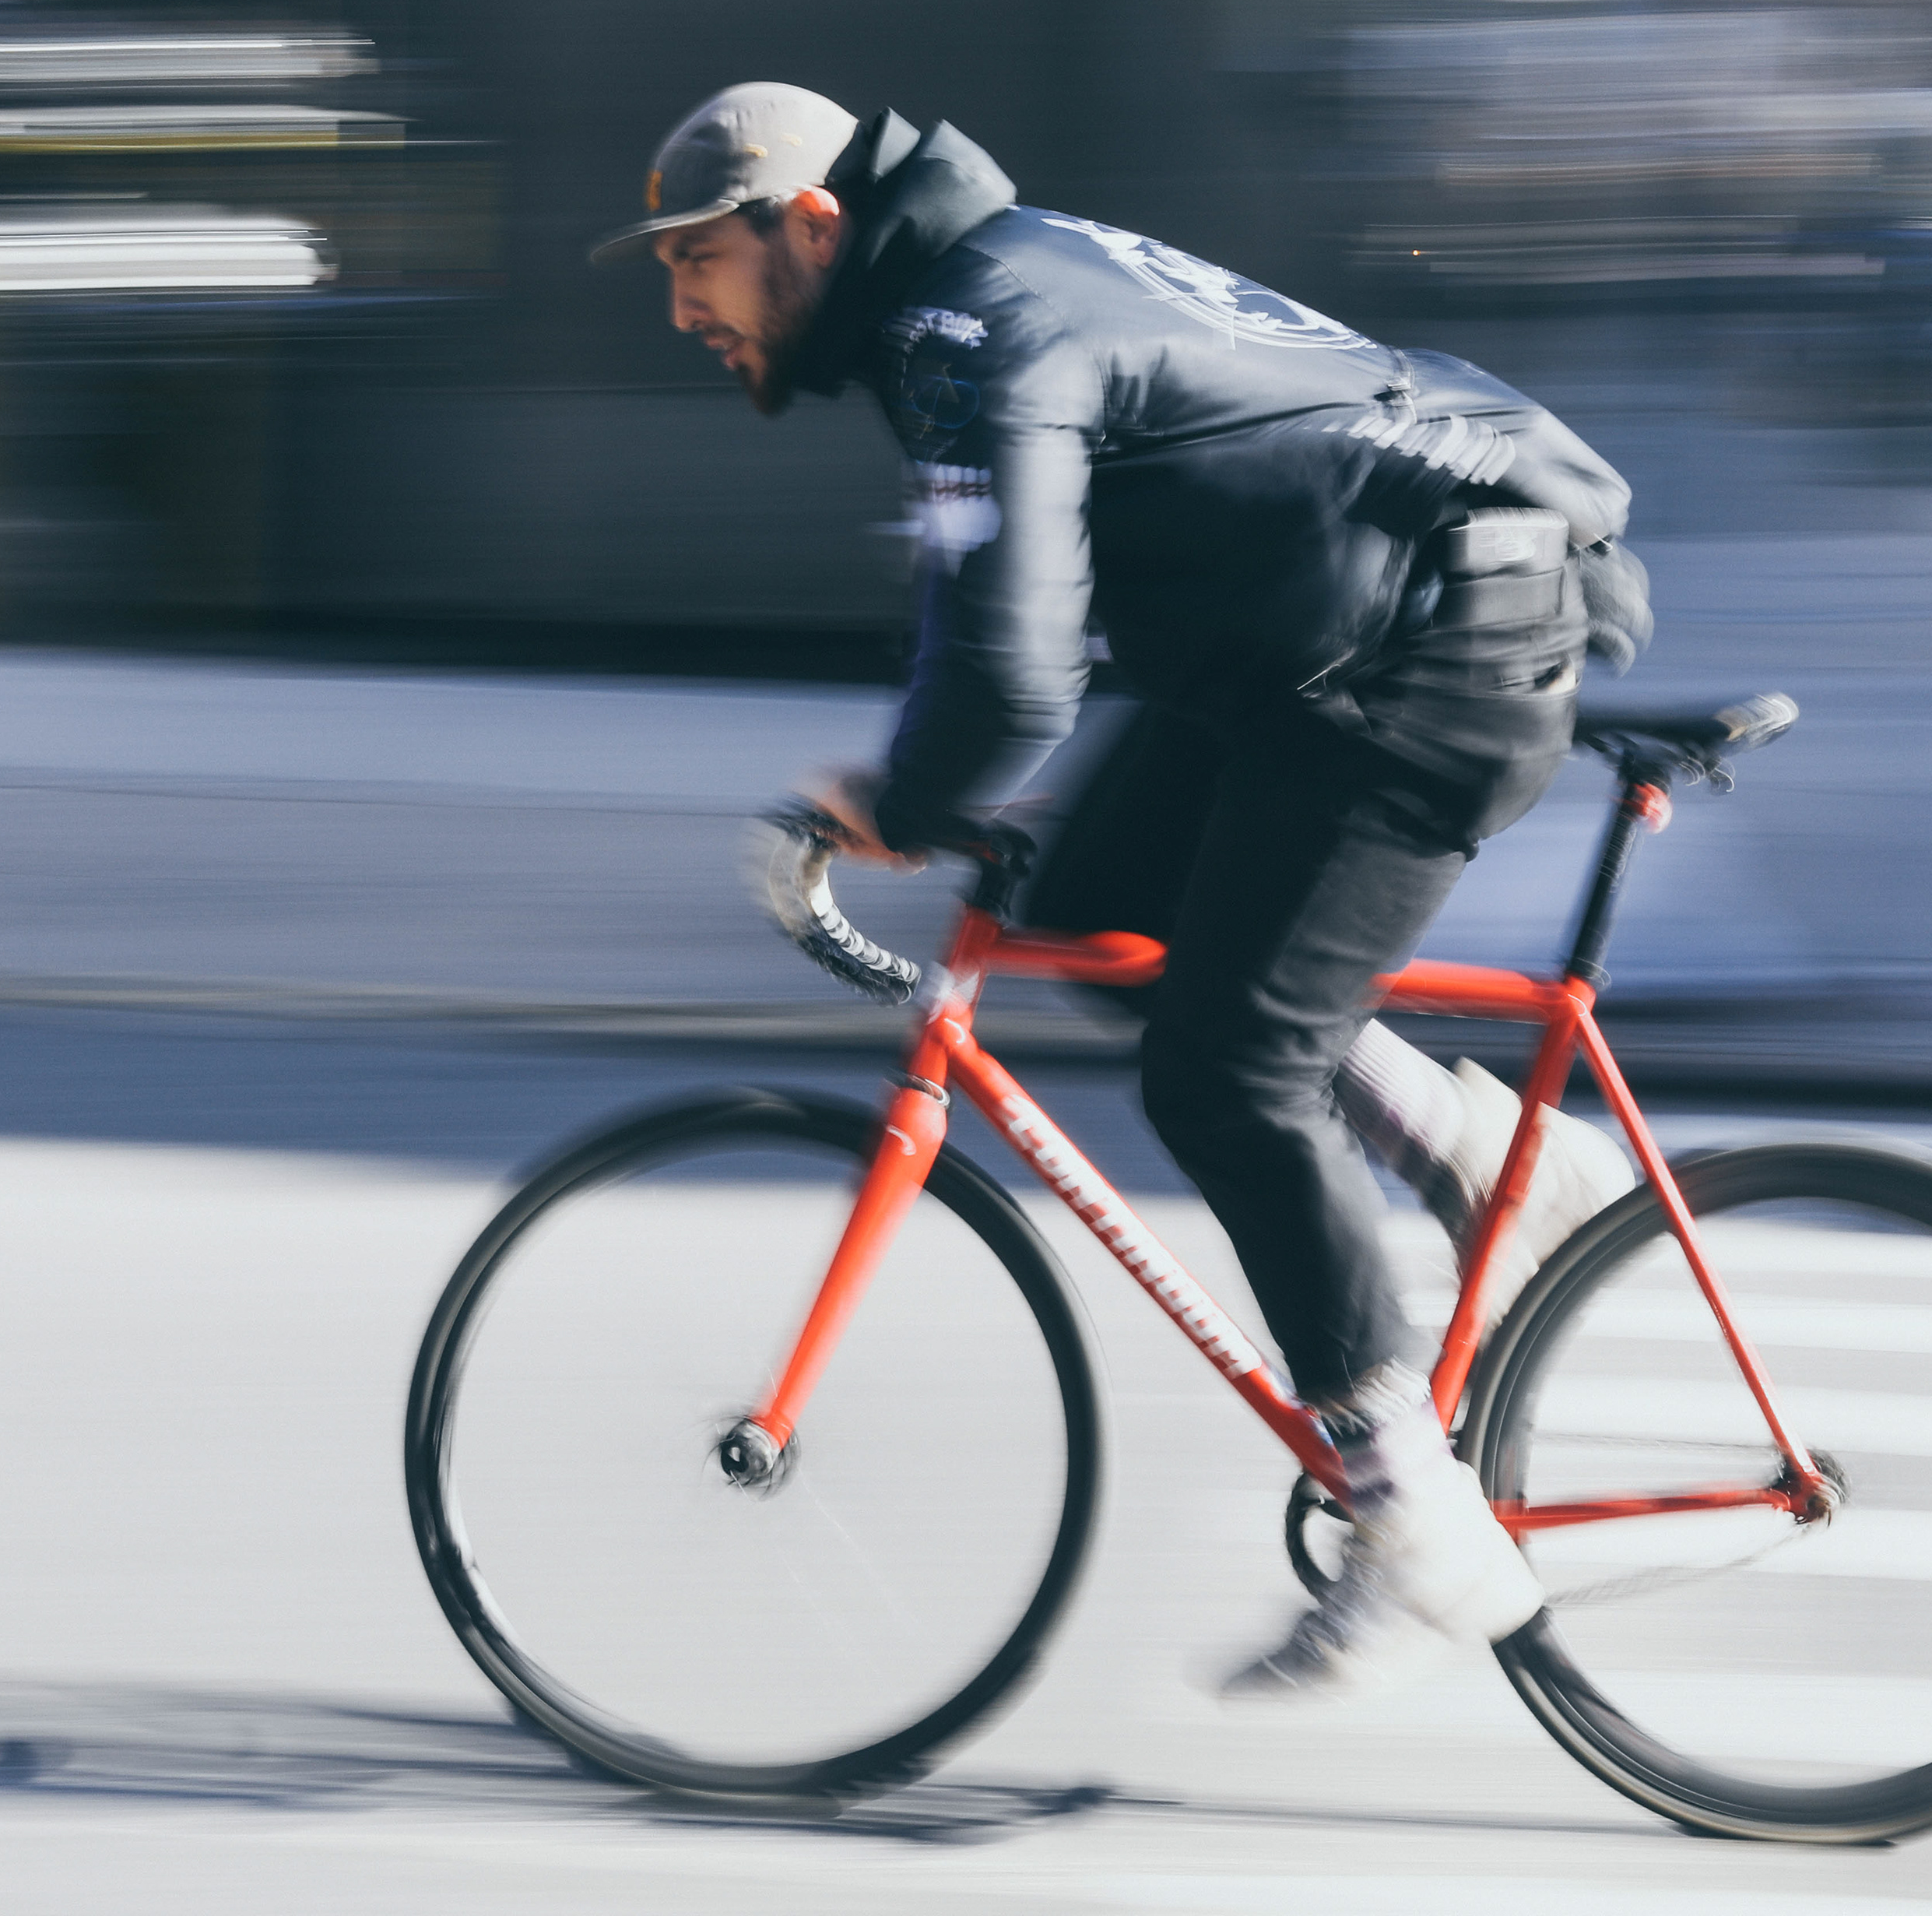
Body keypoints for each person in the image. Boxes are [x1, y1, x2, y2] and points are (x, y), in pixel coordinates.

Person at [594, 83, 1649, 1696]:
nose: (678, 305)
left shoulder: (969, 328)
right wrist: (936, 787)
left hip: (1435, 641)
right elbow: (1008, 605)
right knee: (1094, 904)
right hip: (1323, 637)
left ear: (810, 228)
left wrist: (898, 801)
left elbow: (1011, 669)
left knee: (1228, 1064)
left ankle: (1411, 1505)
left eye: (700, 260)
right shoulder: (961, 295)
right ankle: (1482, 1152)